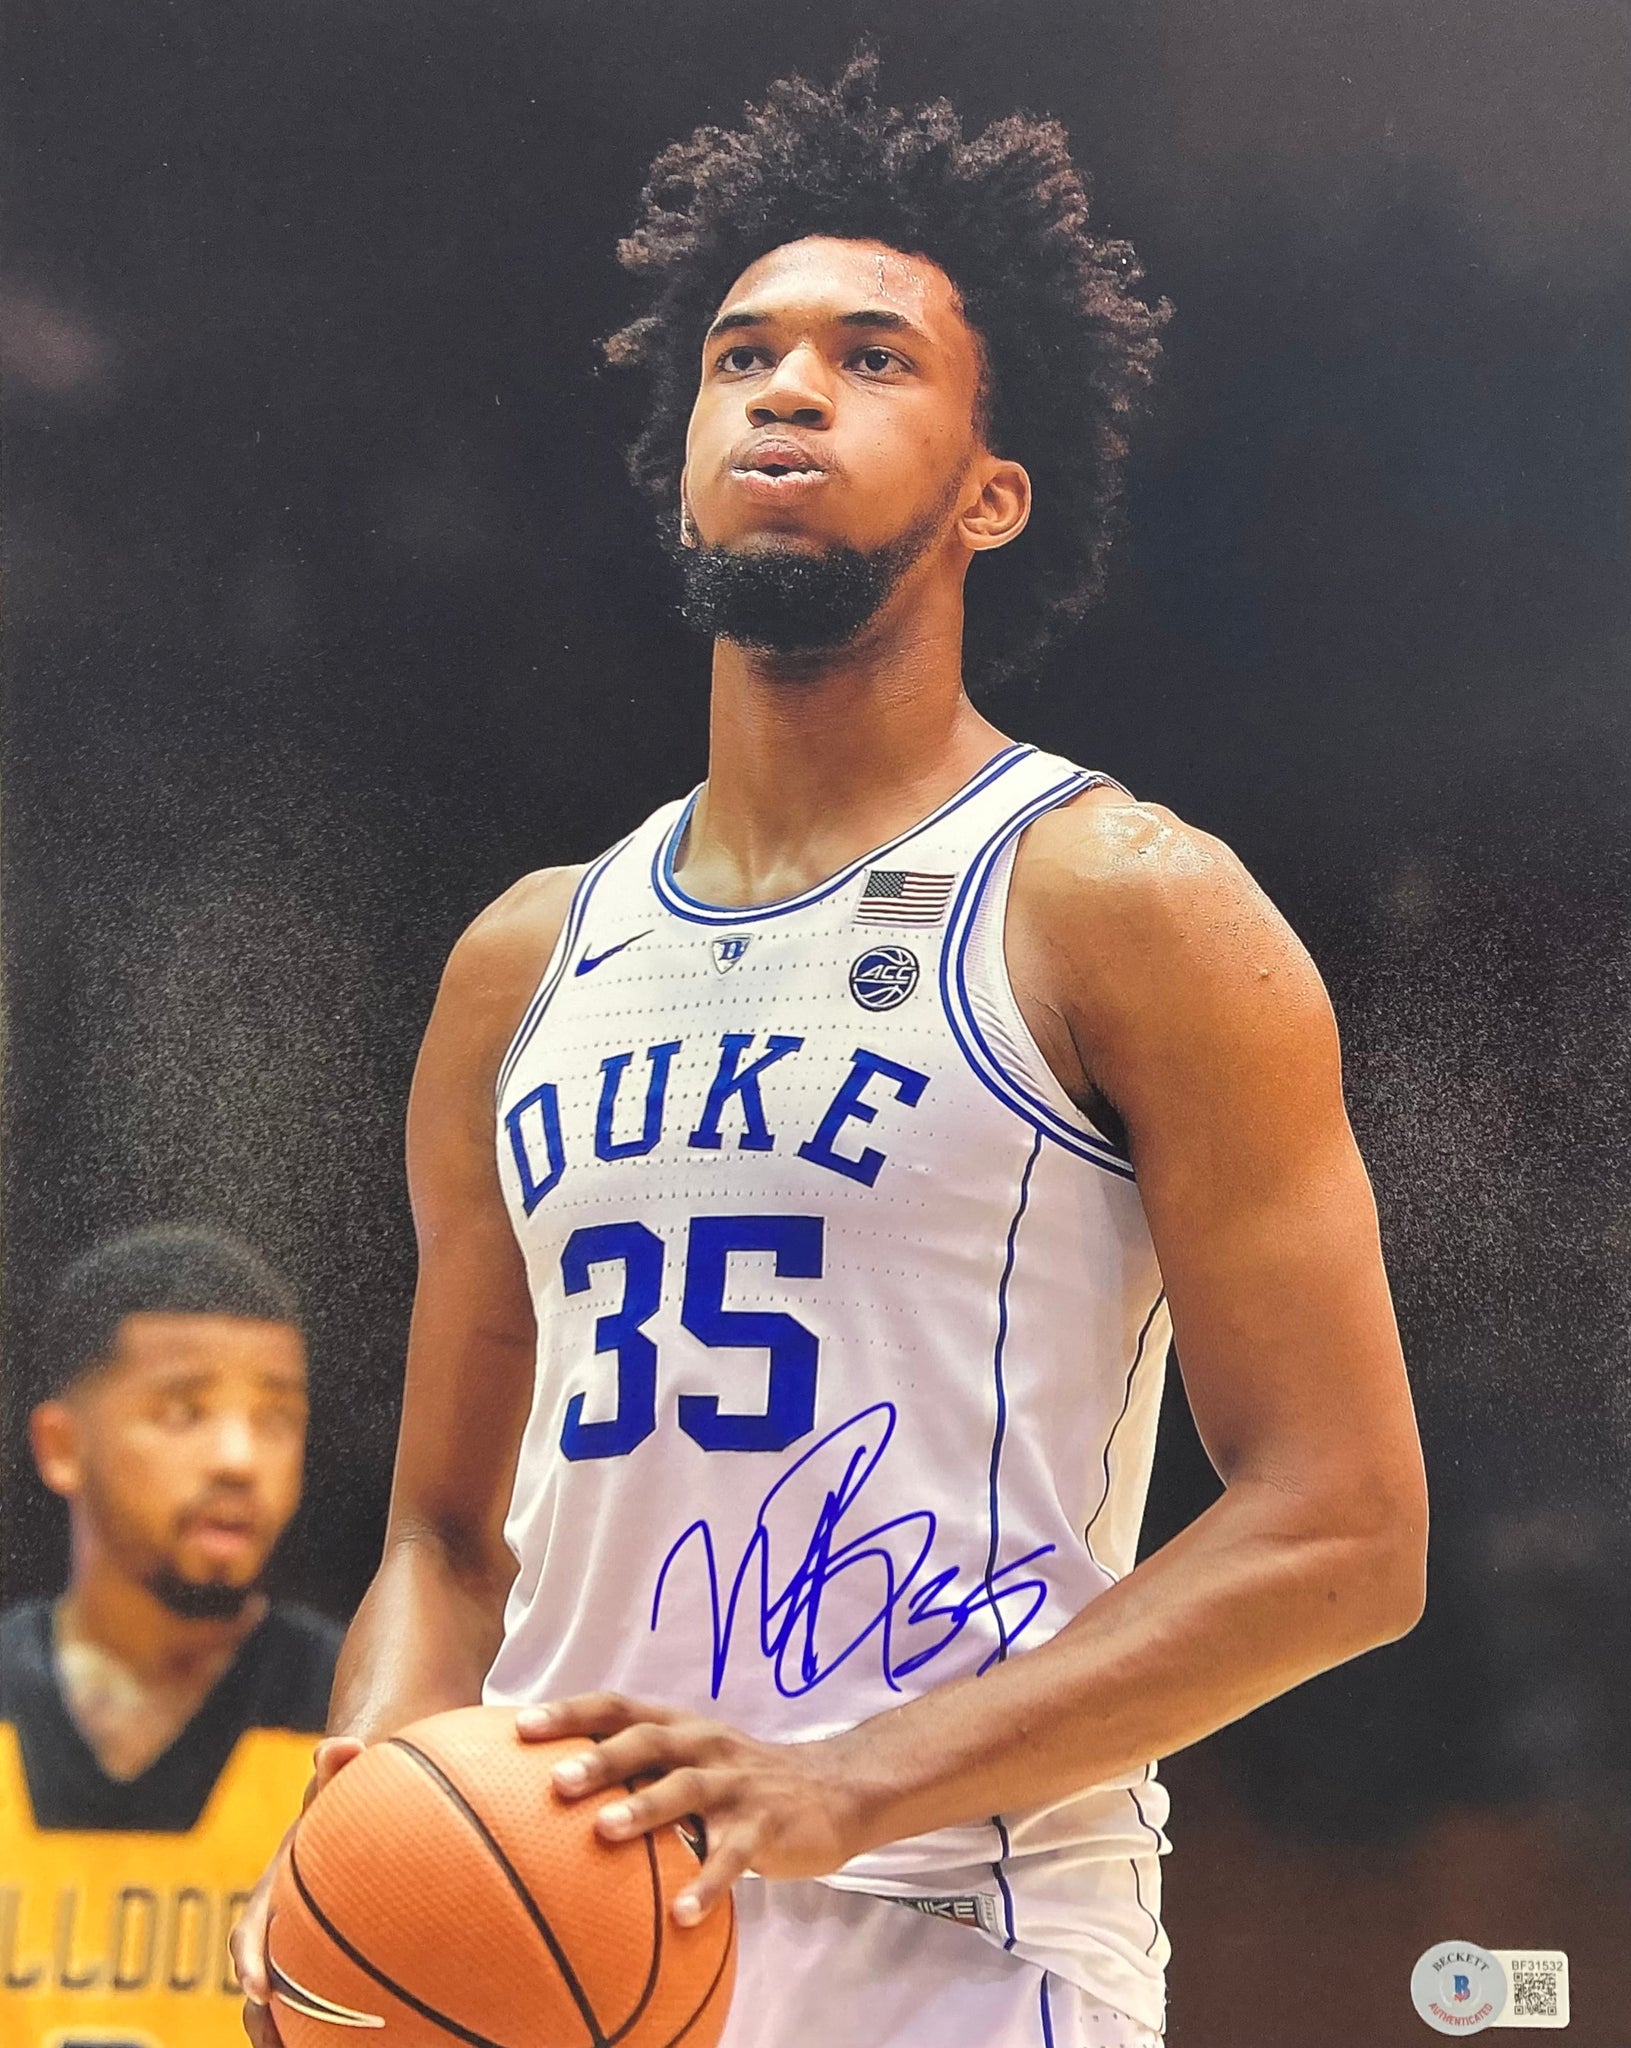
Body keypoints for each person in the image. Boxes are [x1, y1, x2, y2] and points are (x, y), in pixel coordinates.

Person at [235, 53, 1427, 2048]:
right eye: (741, 356)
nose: (785, 389)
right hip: (563, 1945)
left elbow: (1344, 1527)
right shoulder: (524, 961)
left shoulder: (1120, 904)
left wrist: (847, 1779)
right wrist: (362, 1800)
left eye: (872, 358)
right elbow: (442, 1537)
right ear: (683, 455)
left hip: (953, 1946)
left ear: (992, 490)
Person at [1, 1223, 341, 2046]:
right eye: (184, 1411)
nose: (238, 1459)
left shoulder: (356, 1717)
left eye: (277, 1418)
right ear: (62, 1446)